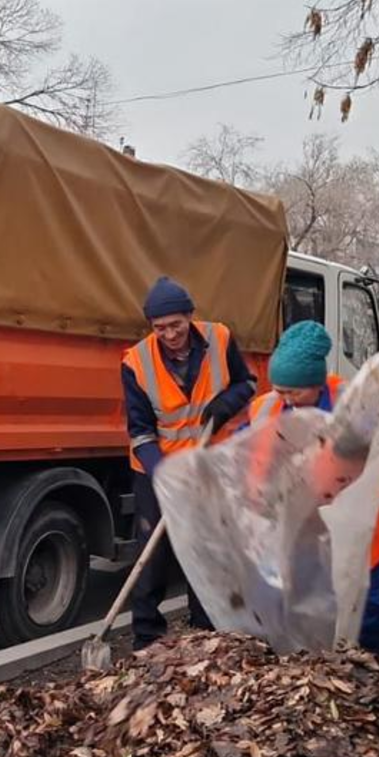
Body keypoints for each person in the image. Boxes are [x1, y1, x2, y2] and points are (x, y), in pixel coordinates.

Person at [246, 320, 379, 653]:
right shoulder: (266, 407)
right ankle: (321, 670)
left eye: (294, 391)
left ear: (317, 384)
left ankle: (368, 671)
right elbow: (254, 464)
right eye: (279, 390)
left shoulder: (354, 402)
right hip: (309, 525)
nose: (286, 399)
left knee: (362, 602)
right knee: (309, 600)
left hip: (367, 522)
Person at [121, 275, 257, 650]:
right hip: (157, 470)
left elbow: (247, 384)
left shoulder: (220, 339)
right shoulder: (136, 362)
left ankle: (206, 629)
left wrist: (224, 404)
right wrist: (163, 474)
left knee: (208, 548)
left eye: (175, 325)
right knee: (153, 554)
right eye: (160, 328)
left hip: (210, 465)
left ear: (190, 317)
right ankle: (146, 637)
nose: (169, 334)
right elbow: (140, 430)